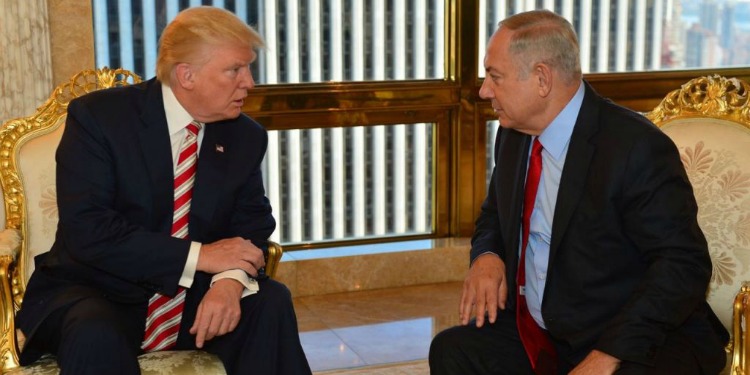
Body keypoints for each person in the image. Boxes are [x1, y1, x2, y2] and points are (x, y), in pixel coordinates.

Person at [429, 9, 728, 375]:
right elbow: (494, 212)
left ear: (542, 79)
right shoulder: (512, 133)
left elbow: (683, 264)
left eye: (495, 76)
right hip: (548, 330)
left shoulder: (634, 148)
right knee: (453, 351)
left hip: (632, 336)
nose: (483, 90)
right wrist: (487, 255)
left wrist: (608, 355)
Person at [16, 6, 311, 375]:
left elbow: (251, 224)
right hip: (98, 289)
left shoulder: (244, 136)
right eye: (235, 70)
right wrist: (201, 257)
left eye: (248, 68)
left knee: (271, 303)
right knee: (94, 332)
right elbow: (88, 232)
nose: (249, 83)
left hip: (193, 299)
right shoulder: (99, 119)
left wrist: (229, 282)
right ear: (186, 75)